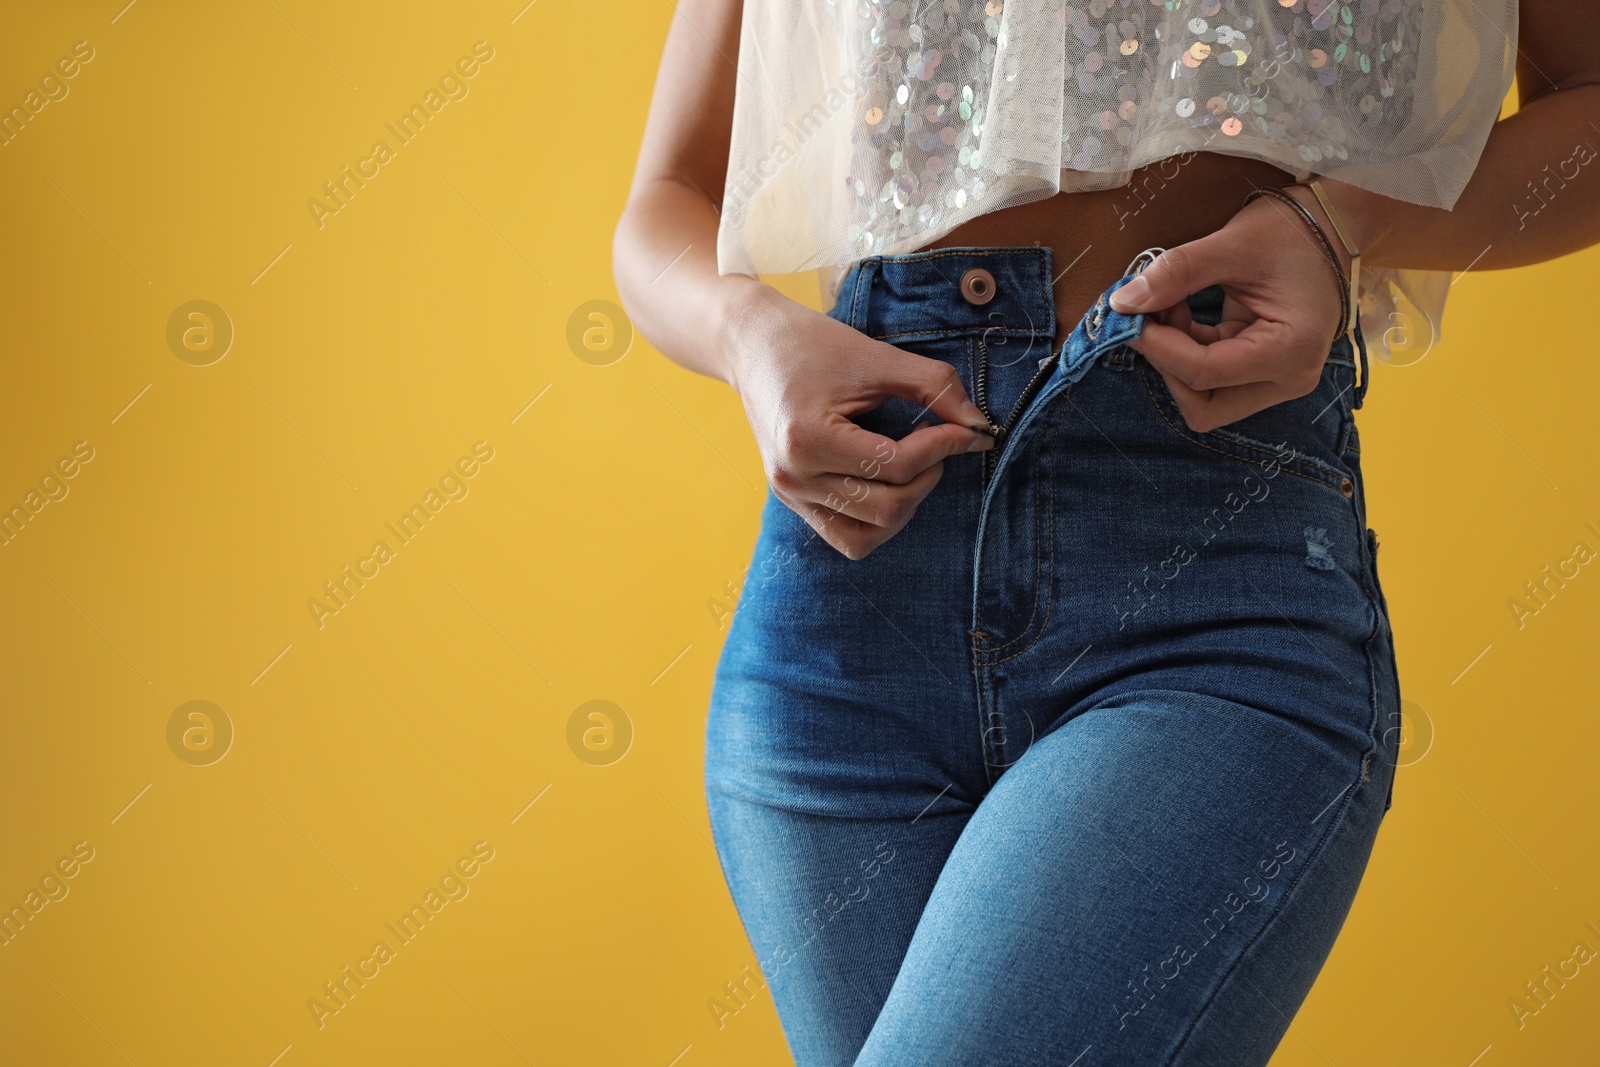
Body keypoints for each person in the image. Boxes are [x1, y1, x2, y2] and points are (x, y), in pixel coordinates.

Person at [613, 2, 1600, 1063]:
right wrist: (749, 335)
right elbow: (667, 199)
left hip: (1206, 581)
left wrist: (1340, 224)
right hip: (844, 612)